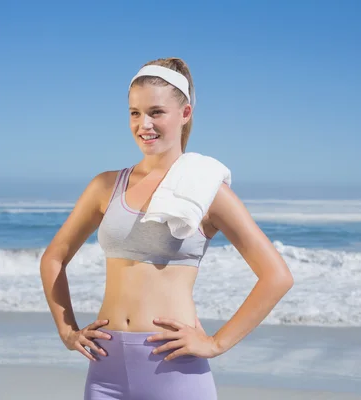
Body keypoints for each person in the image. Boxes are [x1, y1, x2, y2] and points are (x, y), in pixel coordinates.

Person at [39, 57, 294, 400]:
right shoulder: (105, 186)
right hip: (105, 369)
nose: (144, 124)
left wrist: (216, 343)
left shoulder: (207, 191)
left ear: (185, 114)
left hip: (174, 371)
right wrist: (67, 331)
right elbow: (54, 257)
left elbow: (276, 276)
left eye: (156, 112)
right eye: (135, 113)